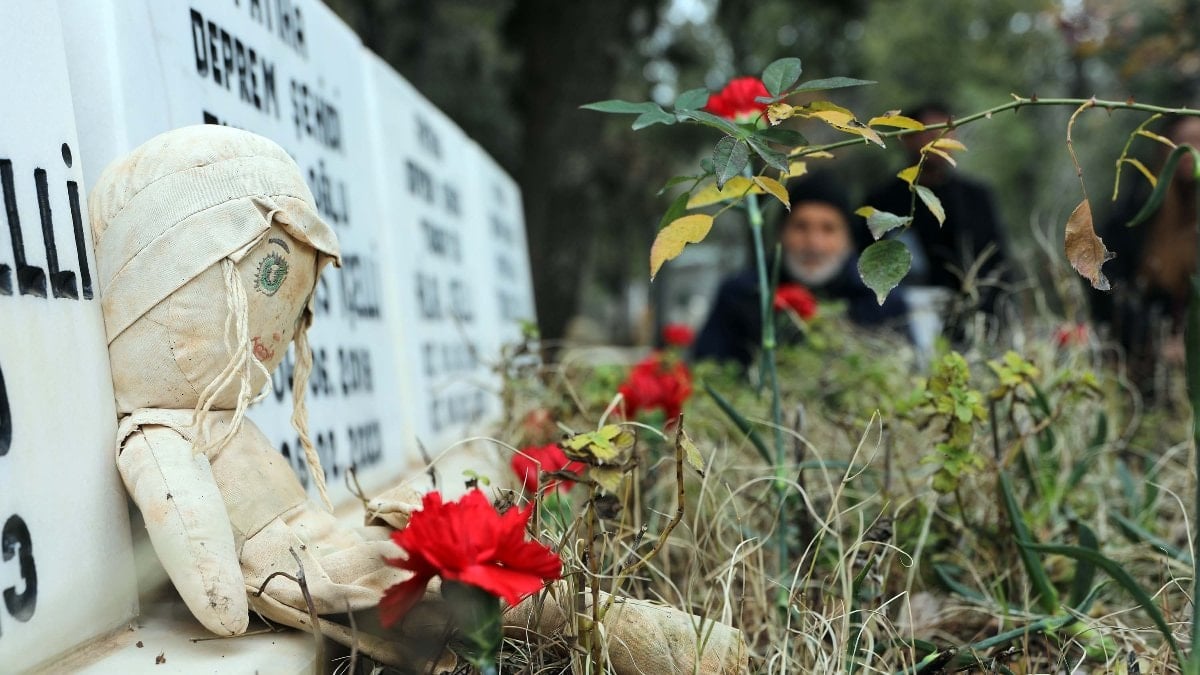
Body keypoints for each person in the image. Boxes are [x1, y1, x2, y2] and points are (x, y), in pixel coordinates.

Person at [692, 172, 907, 367]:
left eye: (828, 229)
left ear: (849, 240)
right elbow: (710, 368)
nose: (814, 243)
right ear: (781, 233)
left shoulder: (879, 300)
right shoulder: (741, 295)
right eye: (801, 227)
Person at [863, 101, 1012, 316]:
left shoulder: (976, 198)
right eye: (930, 132)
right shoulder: (881, 201)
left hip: (974, 315)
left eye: (947, 132)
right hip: (905, 317)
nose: (939, 141)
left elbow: (998, 261)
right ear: (906, 138)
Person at [1092, 115, 1200, 392]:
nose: (1191, 150)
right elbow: (1105, 276)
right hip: (1147, 364)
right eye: (1182, 143)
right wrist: (1151, 338)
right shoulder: (1138, 209)